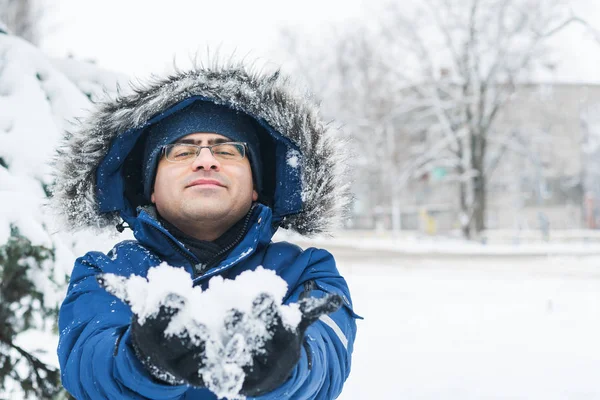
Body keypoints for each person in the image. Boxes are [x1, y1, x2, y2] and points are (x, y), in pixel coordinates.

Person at [52, 60, 360, 399]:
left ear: (256, 184)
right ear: (150, 187)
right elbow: (87, 366)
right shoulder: (103, 272)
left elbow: (326, 360)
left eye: (227, 150)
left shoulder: (308, 272)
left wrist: (287, 368)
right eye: (182, 151)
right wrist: (139, 360)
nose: (205, 160)